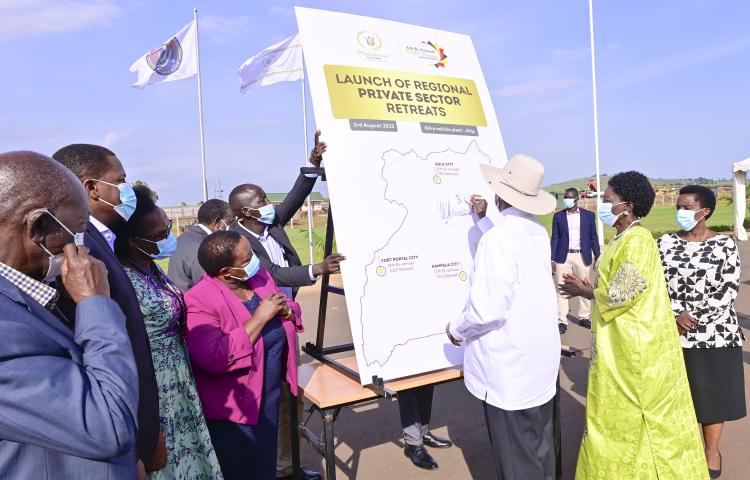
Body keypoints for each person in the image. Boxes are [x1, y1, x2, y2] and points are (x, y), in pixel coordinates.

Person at [0, 151, 138, 478]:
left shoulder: (23, 294)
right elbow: (108, 425)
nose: (83, 247)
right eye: (77, 230)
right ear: (38, 227)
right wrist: (96, 303)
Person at [560, 171, 707, 478]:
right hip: (619, 342)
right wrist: (588, 284)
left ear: (626, 205)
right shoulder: (621, 238)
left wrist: (584, 291)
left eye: (607, 199)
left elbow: (623, 293)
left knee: (635, 416)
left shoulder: (638, 240)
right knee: (619, 418)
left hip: (636, 350)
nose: (601, 203)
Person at [228, 131, 336, 480]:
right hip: (265, 327)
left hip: (287, 318)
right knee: (272, 399)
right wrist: (315, 269)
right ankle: (273, 468)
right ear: (245, 210)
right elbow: (273, 272)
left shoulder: (269, 225)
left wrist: (313, 164)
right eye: (260, 198)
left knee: (292, 397)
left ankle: (287, 466)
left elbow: (292, 200)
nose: (267, 201)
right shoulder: (241, 241)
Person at [52, 143, 164, 475]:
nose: (126, 190)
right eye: (121, 180)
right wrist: (133, 448)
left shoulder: (103, 241)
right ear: (91, 187)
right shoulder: (77, 250)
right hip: (118, 435)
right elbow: (92, 352)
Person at [447, 154, 561, 479]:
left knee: (517, 462)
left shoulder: (498, 241)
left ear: (499, 193)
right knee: (540, 449)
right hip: (539, 364)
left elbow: (486, 311)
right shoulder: (536, 233)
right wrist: (484, 221)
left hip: (510, 371)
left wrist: (456, 330)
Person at [112, 185, 223, 479]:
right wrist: (147, 429)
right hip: (156, 392)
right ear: (134, 241)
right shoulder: (122, 280)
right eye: (160, 235)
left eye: (168, 228)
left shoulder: (150, 266)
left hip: (179, 380)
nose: (169, 238)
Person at [185, 231, 303, 480]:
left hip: (269, 398)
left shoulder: (258, 276)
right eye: (248, 257)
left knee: (264, 466)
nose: (255, 260)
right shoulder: (199, 300)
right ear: (227, 271)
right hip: (237, 409)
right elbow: (213, 356)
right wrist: (260, 317)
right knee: (243, 469)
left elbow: (285, 302)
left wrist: (288, 311)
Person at [658, 185, 746, 478]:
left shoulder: (724, 244)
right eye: (678, 207)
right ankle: (683, 451)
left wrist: (692, 317)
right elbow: (655, 285)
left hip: (716, 334)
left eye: (685, 207)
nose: (680, 212)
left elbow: (728, 288)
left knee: (712, 398)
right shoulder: (665, 243)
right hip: (673, 334)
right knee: (679, 398)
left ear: (704, 211)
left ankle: (711, 450)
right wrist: (674, 315)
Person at [550, 187, 600, 333]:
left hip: (582, 255)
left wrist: (597, 255)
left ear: (577, 199)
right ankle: (562, 321)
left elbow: (593, 237)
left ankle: (584, 317)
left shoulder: (588, 216)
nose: (567, 199)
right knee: (562, 288)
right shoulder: (558, 217)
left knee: (584, 285)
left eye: (569, 197)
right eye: (565, 197)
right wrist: (552, 259)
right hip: (563, 257)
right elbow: (555, 238)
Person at [168, 199, 236, 293]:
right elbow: (209, 289)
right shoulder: (205, 246)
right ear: (218, 222)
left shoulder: (184, 237)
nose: (233, 227)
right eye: (231, 222)